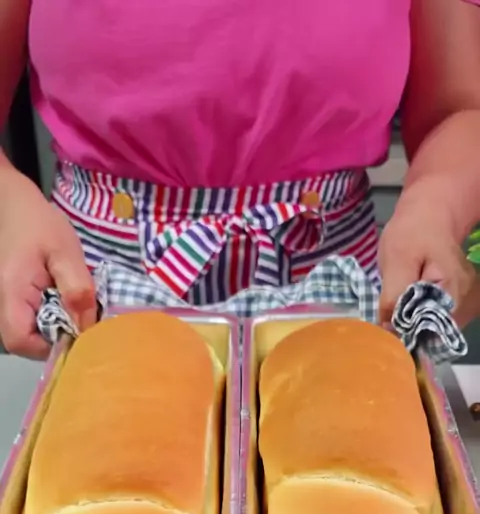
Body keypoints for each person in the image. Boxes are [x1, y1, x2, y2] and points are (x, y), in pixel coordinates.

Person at [0, 0, 480, 358]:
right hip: (94, 293)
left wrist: (435, 211)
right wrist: (10, 209)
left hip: (342, 297)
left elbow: (457, 110)